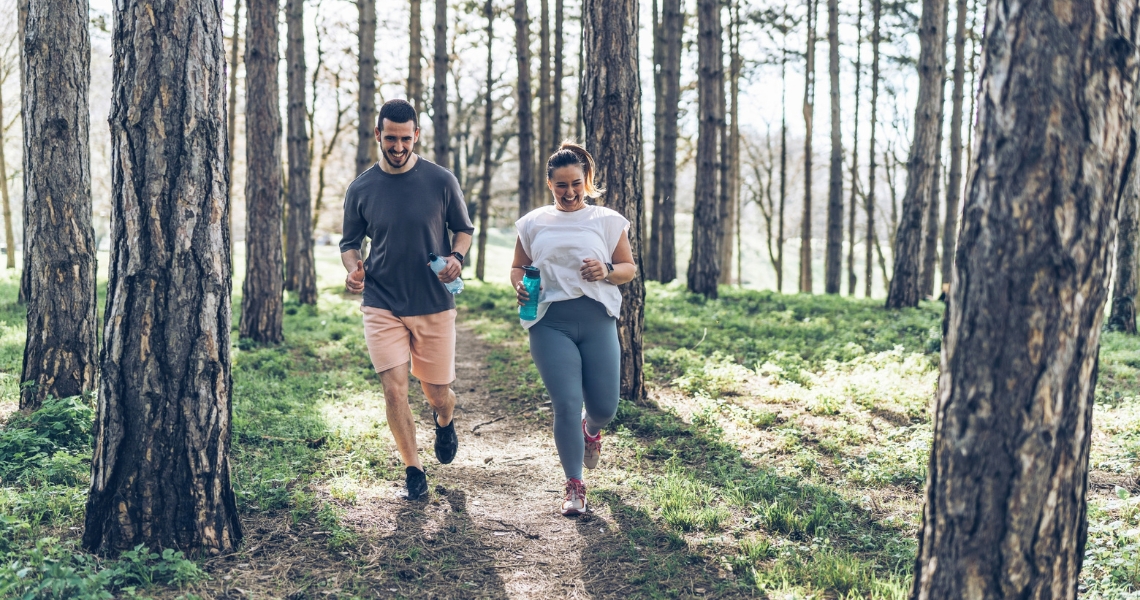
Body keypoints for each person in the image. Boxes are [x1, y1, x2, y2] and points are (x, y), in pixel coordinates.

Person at [341, 99, 475, 501]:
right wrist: (353, 269)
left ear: (416, 135)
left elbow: (463, 230)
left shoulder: (440, 180)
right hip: (382, 302)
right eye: (390, 138)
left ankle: (445, 418)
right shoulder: (361, 188)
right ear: (377, 136)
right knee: (394, 390)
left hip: (433, 300)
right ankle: (413, 470)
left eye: (405, 138)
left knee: (436, 392)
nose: (398, 147)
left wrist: (457, 257)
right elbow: (350, 243)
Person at [511, 142, 637, 516]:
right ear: (550, 185)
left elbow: (628, 268)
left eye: (576, 184)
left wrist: (607, 271)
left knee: (604, 407)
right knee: (565, 404)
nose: (569, 192)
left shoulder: (607, 220)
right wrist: (518, 284)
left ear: (587, 182)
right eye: (561, 185)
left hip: (597, 320)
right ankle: (574, 486)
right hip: (550, 323)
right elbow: (519, 266)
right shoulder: (533, 222)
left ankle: (591, 430)